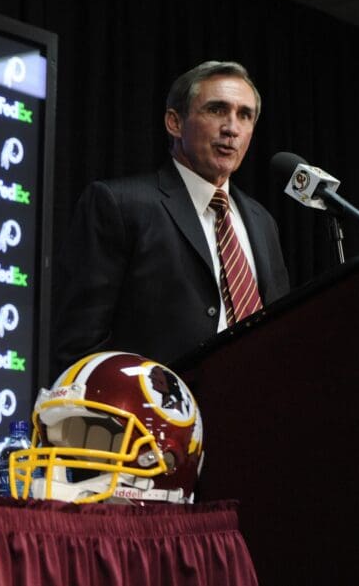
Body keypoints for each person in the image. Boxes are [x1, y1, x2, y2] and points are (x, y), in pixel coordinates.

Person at [52, 61, 290, 376]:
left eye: (244, 115)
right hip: (153, 416)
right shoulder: (121, 204)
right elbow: (79, 345)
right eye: (217, 110)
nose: (232, 128)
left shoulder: (262, 222)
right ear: (174, 123)